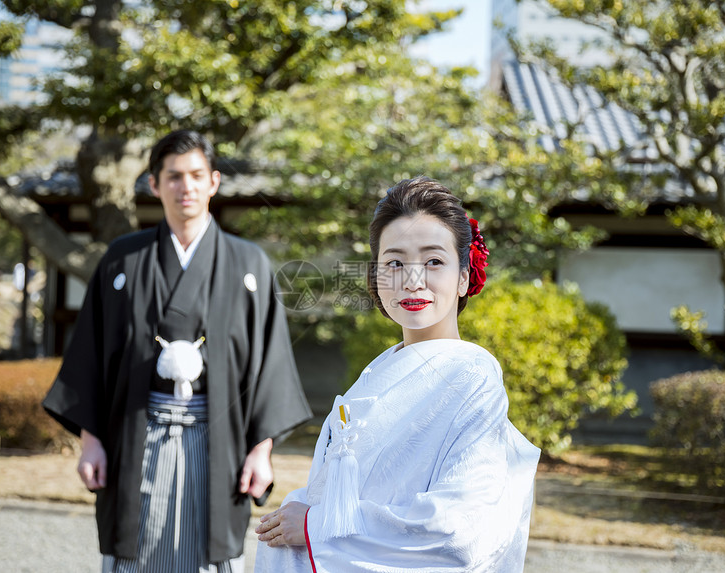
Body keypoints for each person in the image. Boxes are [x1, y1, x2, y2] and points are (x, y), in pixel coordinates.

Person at [43, 129, 312, 572]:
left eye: (195, 175)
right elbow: (89, 352)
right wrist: (91, 440)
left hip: (219, 436)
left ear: (214, 181)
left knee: (207, 550)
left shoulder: (248, 264)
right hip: (135, 432)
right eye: (172, 177)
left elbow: (271, 361)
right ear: (154, 185)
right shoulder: (122, 260)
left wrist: (261, 450)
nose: (184, 187)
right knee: (135, 546)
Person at [254, 176, 540, 572]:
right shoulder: (378, 372)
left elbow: (458, 530)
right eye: (395, 262)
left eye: (434, 261)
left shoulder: (472, 377)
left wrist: (312, 525)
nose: (412, 279)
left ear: (463, 276)